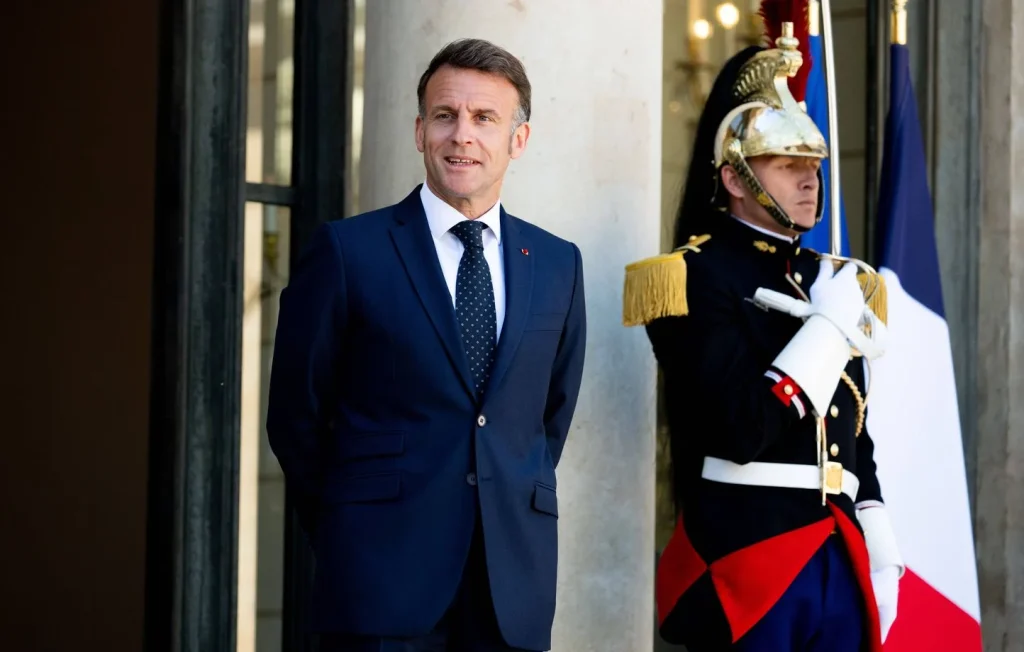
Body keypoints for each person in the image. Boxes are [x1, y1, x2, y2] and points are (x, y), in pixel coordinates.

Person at [267, 38, 587, 652]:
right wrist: (347, 527)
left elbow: (547, 420)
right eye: (445, 115)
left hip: (509, 593)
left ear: (518, 139)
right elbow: (295, 417)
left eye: (484, 118)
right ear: (420, 132)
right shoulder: (347, 252)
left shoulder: (557, 264)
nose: (462, 134)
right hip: (377, 586)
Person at [622, 15, 903, 652]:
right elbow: (740, 430)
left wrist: (879, 538)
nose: (809, 180)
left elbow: (853, 429)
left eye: (812, 165)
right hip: (749, 560)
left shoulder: (831, 278)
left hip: (840, 550)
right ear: (735, 177)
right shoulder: (692, 277)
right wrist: (826, 331)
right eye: (785, 164)